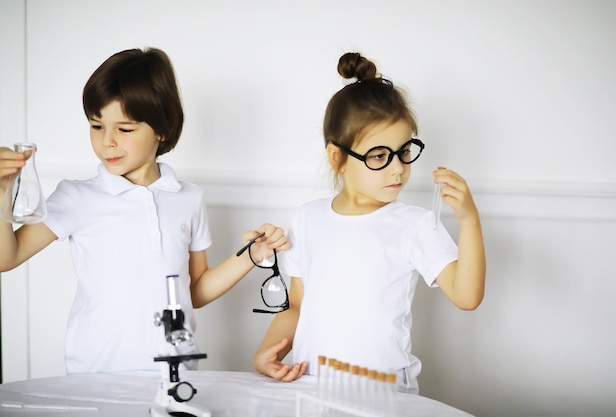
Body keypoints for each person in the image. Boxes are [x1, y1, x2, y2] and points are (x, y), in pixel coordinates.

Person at [0, 47, 289, 375]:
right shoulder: (77, 197)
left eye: (124, 129)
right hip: (95, 377)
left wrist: (253, 254)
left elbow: (192, 291)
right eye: (97, 126)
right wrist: (1, 193)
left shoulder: (188, 199)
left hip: (173, 374)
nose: (107, 141)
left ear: (161, 130)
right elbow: (6, 259)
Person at [252, 52, 485, 392]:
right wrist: (266, 352)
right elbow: (298, 306)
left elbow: (467, 296)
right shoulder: (307, 219)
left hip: (383, 395)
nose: (397, 168)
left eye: (405, 152)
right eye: (379, 156)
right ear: (338, 158)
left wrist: (470, 221)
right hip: (311, 389)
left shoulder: (416, 225)